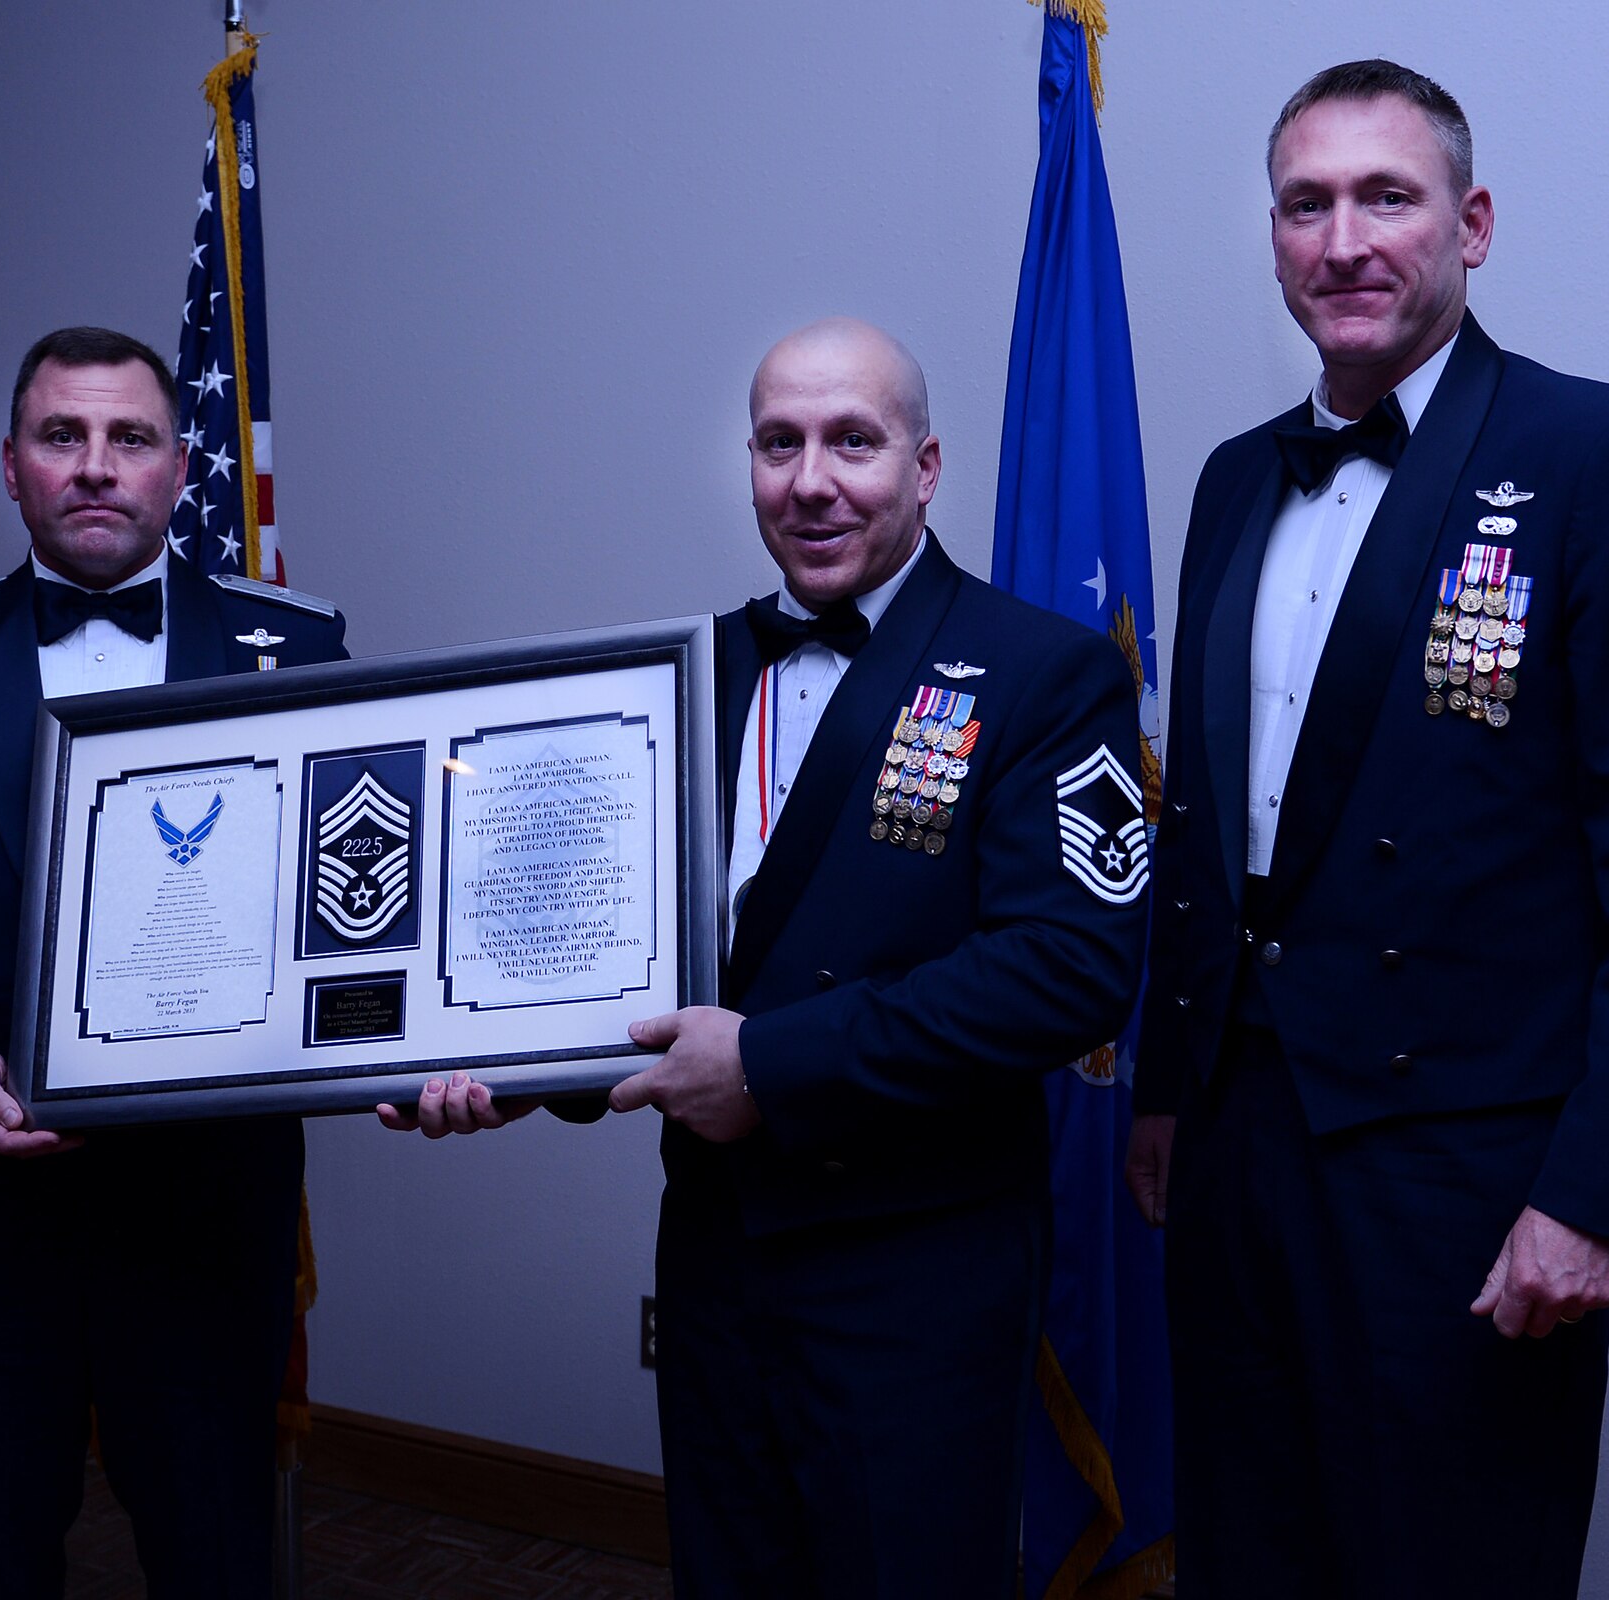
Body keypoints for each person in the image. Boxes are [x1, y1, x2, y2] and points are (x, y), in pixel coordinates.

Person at [1126, 60, 1609, 1599]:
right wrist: (1164, 1091)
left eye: (1387, 197)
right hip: (1234, 1154)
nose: (1343, 240)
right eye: (1306, 203)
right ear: (1274, 239)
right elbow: (1205, 837)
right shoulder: (1232, 481)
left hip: (1471, 1178)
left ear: (1471, 225)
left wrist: (1599, 1196)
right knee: (1247, 1558)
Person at [385, 318, 1150, 1596]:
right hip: (717, 1261)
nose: (812, 480)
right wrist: (498, 1069)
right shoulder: (670, 676)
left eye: (853, 441)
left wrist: (773, 1065)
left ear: (926, 464)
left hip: (918, 1270)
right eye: (778, 444)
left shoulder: (1043, 675)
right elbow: (619, 965)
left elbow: (1066, 970)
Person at [0, 326, 348, 1598]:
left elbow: (350, 902)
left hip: (204, 1193)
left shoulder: (293, 651)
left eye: (129, 437)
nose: (95, 465)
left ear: (178, 465)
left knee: (211, 1543)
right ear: (12, 466)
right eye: (61, 436)